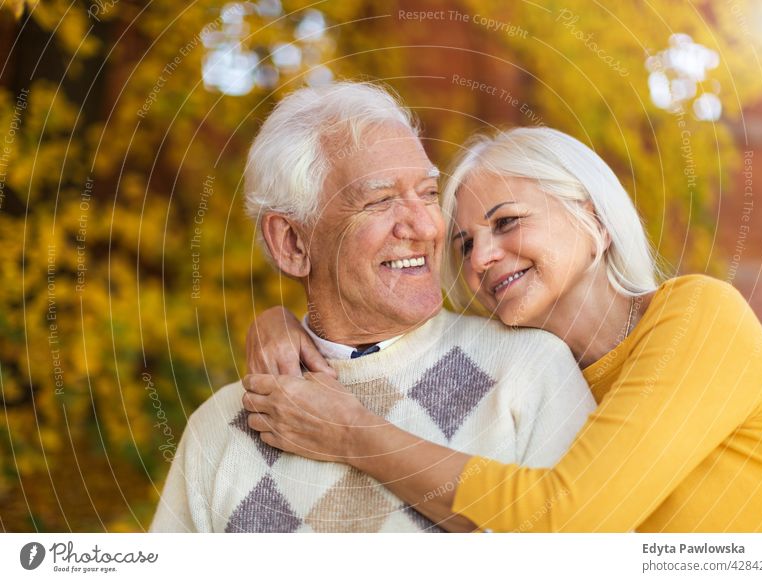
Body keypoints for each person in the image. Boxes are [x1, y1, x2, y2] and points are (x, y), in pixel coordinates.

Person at [244, 126, 762, 532]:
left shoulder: (699, 319)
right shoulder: (521, 373)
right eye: (463, 244)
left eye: (506, 222)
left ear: (596, 221)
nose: (482, 257)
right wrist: (286, 327)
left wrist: (351, 434)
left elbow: (568, 518)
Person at [149, 85, 595, 532]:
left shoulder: (530, 370)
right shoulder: (221, 429)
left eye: (426, 193)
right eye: (380, 200)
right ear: (292, 243)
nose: (424, 225)